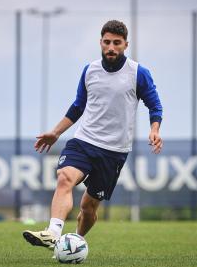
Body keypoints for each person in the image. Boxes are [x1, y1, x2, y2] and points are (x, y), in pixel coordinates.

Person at [23, 20, 163, 248]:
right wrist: (56, 133)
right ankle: (53, 232)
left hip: (114, 151)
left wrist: (155, 130)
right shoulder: (90, 70)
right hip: (84, 140)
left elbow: (155, 105)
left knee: (88, 209)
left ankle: (76, 241)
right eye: (107, 42)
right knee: (64, 178)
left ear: (125, 45)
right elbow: (78, 106)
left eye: (117, 43)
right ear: (100, 42)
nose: (111, 47)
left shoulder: (138, 73)